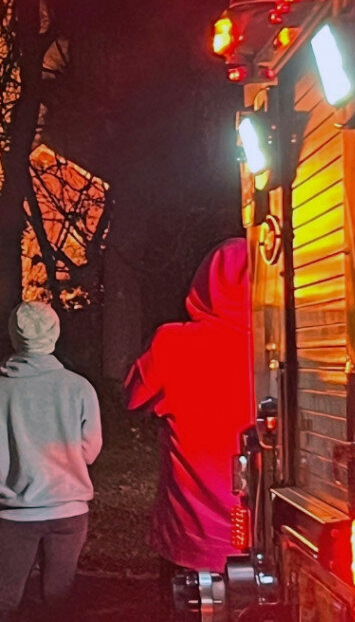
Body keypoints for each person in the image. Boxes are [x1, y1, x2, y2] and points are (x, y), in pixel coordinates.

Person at [124, 237, 252, 616]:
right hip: (266, 543)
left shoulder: (173, 345)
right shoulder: (280, 350)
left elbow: (133, 398)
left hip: (192, 542)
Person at [0, 301, 102, 622]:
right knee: (58, 603)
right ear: (55, 333)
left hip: (15, 514)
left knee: (5, 601)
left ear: (14, 335)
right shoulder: (78, 387)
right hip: (69, 511)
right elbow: (90, 450)